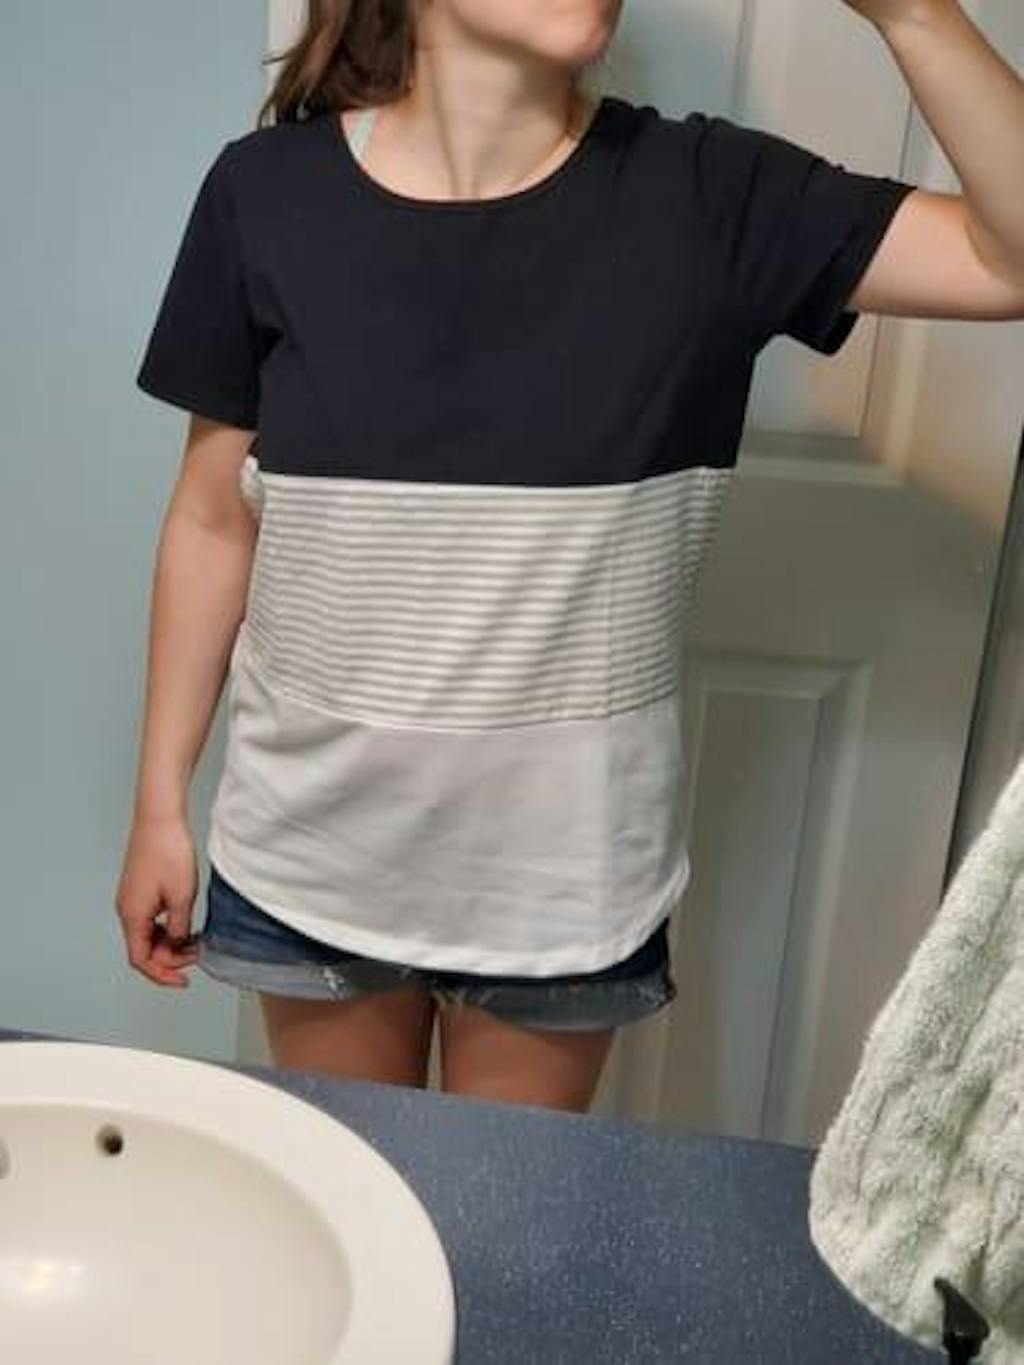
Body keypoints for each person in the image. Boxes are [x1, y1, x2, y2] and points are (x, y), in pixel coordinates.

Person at [115, 0, 1024, 1114]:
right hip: (305, 861)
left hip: (560, 893)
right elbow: (214, 521)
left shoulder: (709, 196)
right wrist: (160, 801)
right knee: (356, 1202)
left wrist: (914, 13)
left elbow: (1009, 262)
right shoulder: (264, 193)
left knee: (505, 1222)